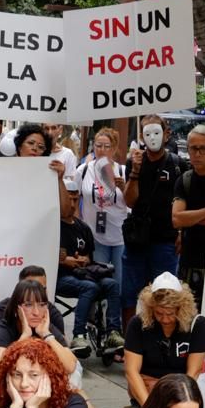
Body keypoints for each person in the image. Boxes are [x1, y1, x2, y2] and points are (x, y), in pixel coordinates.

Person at [120, 114, 183, 330]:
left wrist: (182, 233)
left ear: (166, 134)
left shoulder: (177, 165)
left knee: (165, 295)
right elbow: (129, 200)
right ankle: (129, 341)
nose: (152, 138)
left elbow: (184, 203)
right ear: (141, 136)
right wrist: (135, 172)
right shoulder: (133, 163)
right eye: (147, 133)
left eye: (157, 132)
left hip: (165, 241)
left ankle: (160, 338)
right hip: (137, 239)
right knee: (130, 293)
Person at [123, 273, 205, 408]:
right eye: (159, 313)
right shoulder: (137, 324)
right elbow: (131, 371)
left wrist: (177, 403)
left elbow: (193, 372)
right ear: (150, 308)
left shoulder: (198, 325)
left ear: (182, 308)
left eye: (171, 314)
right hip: (145, 395)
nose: (165, 319)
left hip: (182, 395)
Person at [76, 125, 128, 350]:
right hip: (93, 235)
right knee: (96, 283)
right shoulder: (83, 171)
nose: (102, 150)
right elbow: (74, 200)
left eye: (107, 146)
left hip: (119, 236)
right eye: (98, 145)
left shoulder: (123, 171)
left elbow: (133, 201)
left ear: (115, 149)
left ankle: (113, 331)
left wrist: (124, 187)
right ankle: (94, 324)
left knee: (116, 285)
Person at [56, 176, 121, 358]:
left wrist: (83, 260)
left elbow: (90, 258)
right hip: (61, 277)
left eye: (75, 198)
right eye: (68, 197)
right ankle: (79, 334)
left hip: (83, 274)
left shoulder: (83, 227)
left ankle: (113, 333)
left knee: (112, 284)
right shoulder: (54, 226)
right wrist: (66, 260)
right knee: (90, 287)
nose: (72, 202)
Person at [0, 277, 79, 401]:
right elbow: (1, 365)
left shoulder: (46, 327)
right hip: (12, 383)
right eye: (28, 305)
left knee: (74, 375)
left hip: (38, 379)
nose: (36, 312)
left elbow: (70, 366)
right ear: (16, 308)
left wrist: (46, 335)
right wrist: (24, 337)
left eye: (42, 305)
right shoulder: (2, 329)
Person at [173, 125, 205, 296]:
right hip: (189, 262)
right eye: (193, 148)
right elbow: (177, 219)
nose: (197, 154)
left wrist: (190, 217)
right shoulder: (185, 180)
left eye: (203, 149)